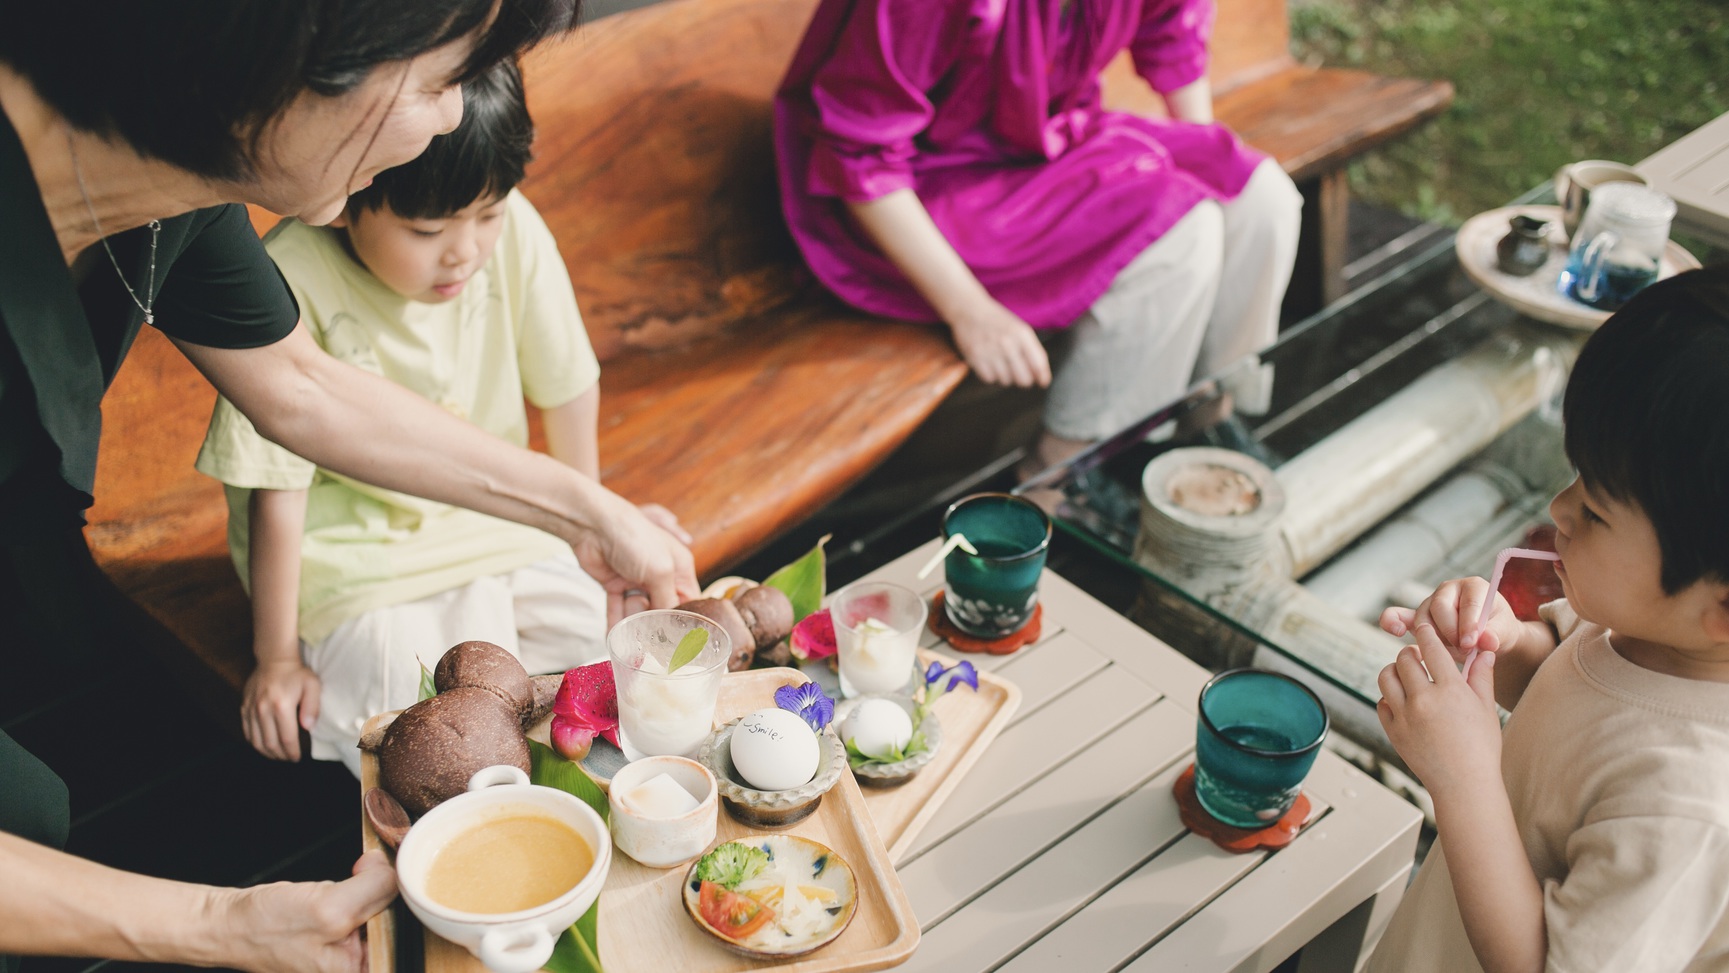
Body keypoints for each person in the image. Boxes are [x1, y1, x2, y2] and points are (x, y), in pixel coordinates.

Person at [0, 2, 697, 970]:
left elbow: (303, 388)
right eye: (437, 80)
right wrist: (216, 929)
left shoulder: (168, 191)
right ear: (275, 63)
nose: (452, 121)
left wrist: (589, 509)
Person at [198, 60, 687, 773]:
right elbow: (279, 488)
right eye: (427, 229)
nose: (466, 249)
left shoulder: (511, 231)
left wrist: (592, 521)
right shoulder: (285, 278)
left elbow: (567, 383)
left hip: (503, 525)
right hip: (361, 563)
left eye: (487, 215)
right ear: (346, 196)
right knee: (416, 718)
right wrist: (274, 655)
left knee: (612, 660)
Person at [1370, 270, 1729, 972]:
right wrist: (1499, 641)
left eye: (1595, 511)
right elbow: (1568, 677)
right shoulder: (1652, 628)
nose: (1559, 510)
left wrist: (1463, 773)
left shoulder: (1688, 805)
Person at [773, 0, 1302, 474]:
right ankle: (1060, 474)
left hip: (1050, 143)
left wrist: (1205, 165)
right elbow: (860, 151)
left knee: (1258, 197)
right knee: (1183, 231)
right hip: (924, 191)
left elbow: (1173, 29)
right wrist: (971, 312)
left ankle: (1203, 415)